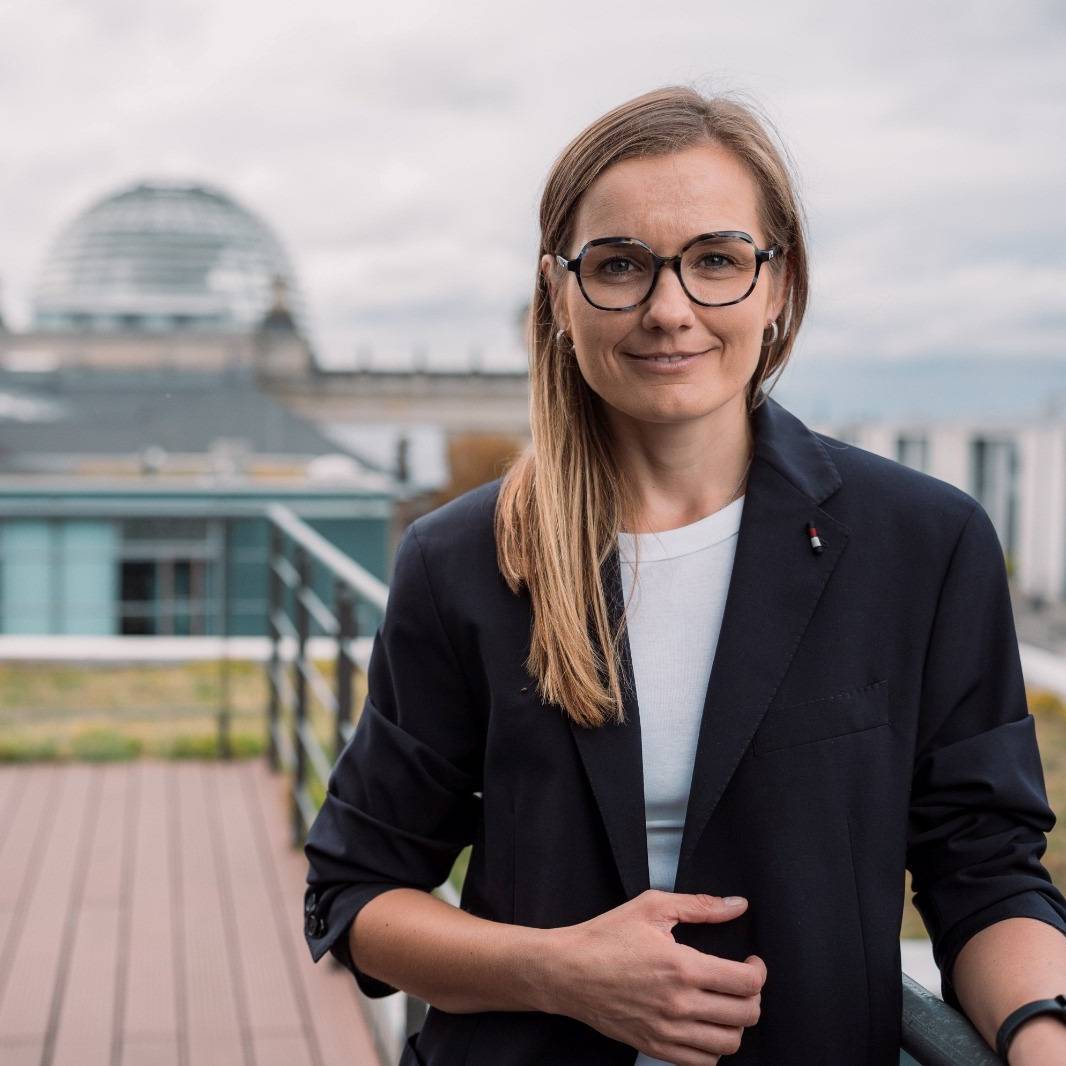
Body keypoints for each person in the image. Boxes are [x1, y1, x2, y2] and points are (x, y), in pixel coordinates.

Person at [302, 86, 1066, 1065]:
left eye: (716, 260)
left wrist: (1043, 1035)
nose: (669, 311)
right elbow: (356, 891)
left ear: (778, 285)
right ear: (559, 294)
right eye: (619, 265)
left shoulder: (924, 544)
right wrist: (558, 971)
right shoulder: (461, 561)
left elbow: (987, 873)